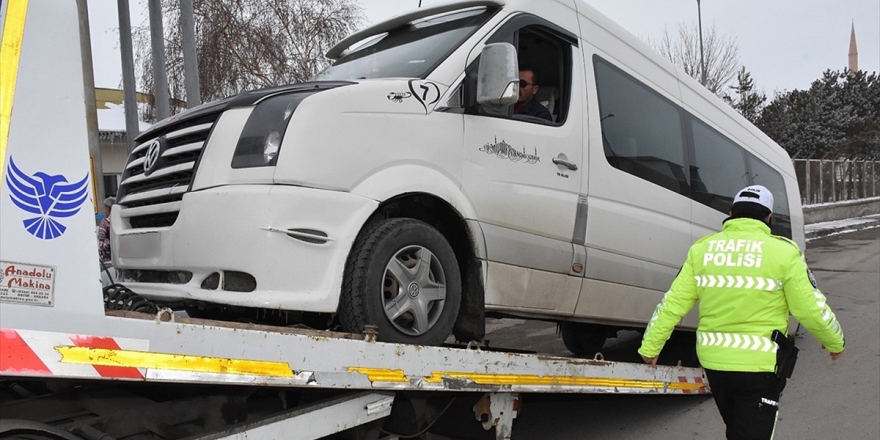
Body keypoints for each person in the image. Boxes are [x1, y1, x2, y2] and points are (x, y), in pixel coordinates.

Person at [638, 184, 845, 440]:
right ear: (768, 217)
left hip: (715, 364)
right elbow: (810, 308)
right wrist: (834, 341)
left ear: (731, 213)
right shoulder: (783, 252)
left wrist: (650, 347)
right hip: (759, 367)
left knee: (737, 430)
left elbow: (672, 303)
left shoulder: (703, 249)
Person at [98, 196, 115, 264]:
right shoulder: (120, 221)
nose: (104, 211)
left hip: (107, 259)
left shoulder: (105, 223)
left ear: (108, 208)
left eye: (105, 208)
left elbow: (101, 242)